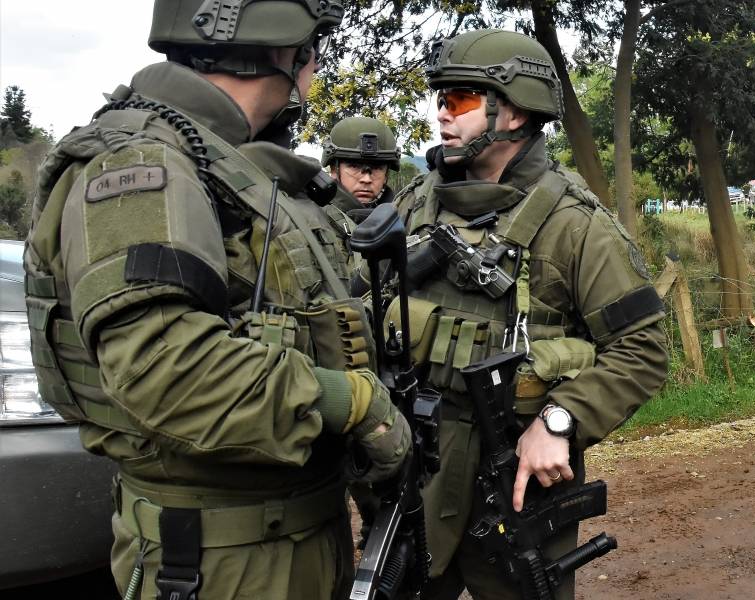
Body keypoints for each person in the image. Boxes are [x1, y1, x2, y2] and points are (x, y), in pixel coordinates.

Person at [22, 1, 411, 598]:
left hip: (285, 538)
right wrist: (354, 403)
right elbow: (164, 369)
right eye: (313, 48)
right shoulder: (142, 166)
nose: (315, 66)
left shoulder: (227, 163)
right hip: (219, 560)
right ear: (282, 49)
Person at [389, 29, 670, 600]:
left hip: (517, 483)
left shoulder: (576, 225)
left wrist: (561, 419)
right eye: (440, 99)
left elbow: (643, 350)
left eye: (460, 100)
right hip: (417, 469)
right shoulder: (415, 203)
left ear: (514, 112)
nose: (442, 114)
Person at [323, 115, 402, 209]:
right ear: (334, 170)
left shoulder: (403, 214)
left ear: (385, 175)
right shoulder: (314, 214)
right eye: (354, 166)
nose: (366, 179)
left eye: (377, 168)